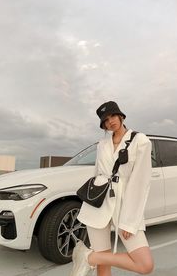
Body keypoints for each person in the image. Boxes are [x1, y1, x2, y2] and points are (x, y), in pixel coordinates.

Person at [70, 101, 154, 276]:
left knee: (145, 265)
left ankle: (88, 258)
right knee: (104, 265)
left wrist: (130, 220)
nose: (110, 122)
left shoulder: (141, 141)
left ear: (121, 115)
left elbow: (140, 181)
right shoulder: (102, 144)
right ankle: (95, 258)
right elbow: (97, 174)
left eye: (113, 116)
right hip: (98, 204)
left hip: (124, 205)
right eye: (105, 121)